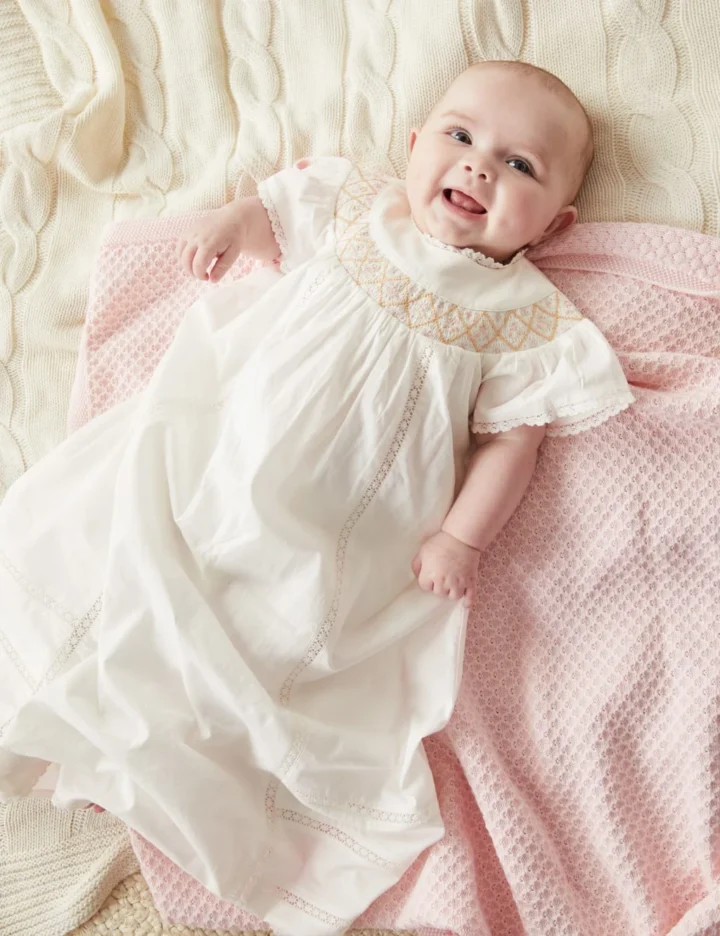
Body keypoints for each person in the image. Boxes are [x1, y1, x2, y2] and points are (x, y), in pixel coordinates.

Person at [0, 61, 633, 935]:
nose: (480, 166)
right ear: (413, 146)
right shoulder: (359, 206)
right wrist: (235, 225)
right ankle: (92, 715)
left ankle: (160, 759)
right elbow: (272, 215)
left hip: (348, 525)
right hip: (227, 448)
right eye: (459, 137)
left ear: (557, 222)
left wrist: (463, 536)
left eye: (520, 165)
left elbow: (512, 442)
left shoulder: (525, 317)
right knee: (148, 550)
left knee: (281, 636)